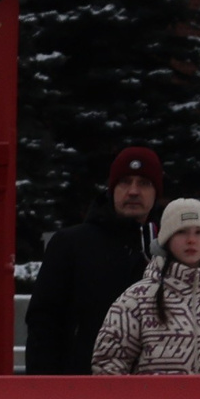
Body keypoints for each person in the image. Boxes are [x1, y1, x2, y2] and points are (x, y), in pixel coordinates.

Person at [25, 145, 162, 374]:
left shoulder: (171, 248)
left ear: (157, 192)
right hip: (80, 388)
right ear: (111, 189)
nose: (134, 191)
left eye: (144, 183)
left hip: (159, 395)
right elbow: (43, 324)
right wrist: (42, 391)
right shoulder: (71, 244)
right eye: (125, 182)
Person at [91, 197, 200, 376]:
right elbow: (109, 366)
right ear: (166, 239)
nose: (191, 240)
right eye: (181, 232)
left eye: (199, 232)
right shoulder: (135, 299)